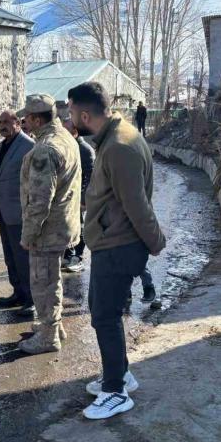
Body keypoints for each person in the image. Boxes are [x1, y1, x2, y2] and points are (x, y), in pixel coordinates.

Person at [68, 82, 166, 420]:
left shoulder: (119, 147)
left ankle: (115, 392)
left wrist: (156, 242)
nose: (69, 118)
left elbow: (137, 204)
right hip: (111, 243)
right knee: (102, 311)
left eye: (71, 112)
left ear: (84, 115)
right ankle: (120, 374)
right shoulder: (113, 138)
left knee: (106, 317)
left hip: (119, 246)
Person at [18, 94, 81, 354]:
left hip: (47, 229)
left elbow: (40, 201)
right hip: (63, 224)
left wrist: (28, 235)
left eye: (26, 118)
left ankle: (48, 336)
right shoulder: (65, 137)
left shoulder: (46, 149)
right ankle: (54, 326)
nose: (24, 122)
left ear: (36, 119)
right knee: (52, 279)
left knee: (42, 282)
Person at [0, 110, 36, 316]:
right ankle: (18, 292)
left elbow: (33, 182)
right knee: (10, 257)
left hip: (19, 212)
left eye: (6, 122)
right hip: (3, 210)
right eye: (0, 122)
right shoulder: (3, 145)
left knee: (23, 259)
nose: (2, 125)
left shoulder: (28, 146)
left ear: (17, 122)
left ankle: (31, 299)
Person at [61, 119, 95, 274]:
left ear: (75, 132)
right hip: (67, 197)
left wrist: (83, 199)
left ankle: (78, 256)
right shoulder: (67, 147)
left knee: (78, 227)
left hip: (78, 198)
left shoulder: (85, 150)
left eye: (66, 131)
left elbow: (90, 177)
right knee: (67, 226)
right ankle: (68, 254)